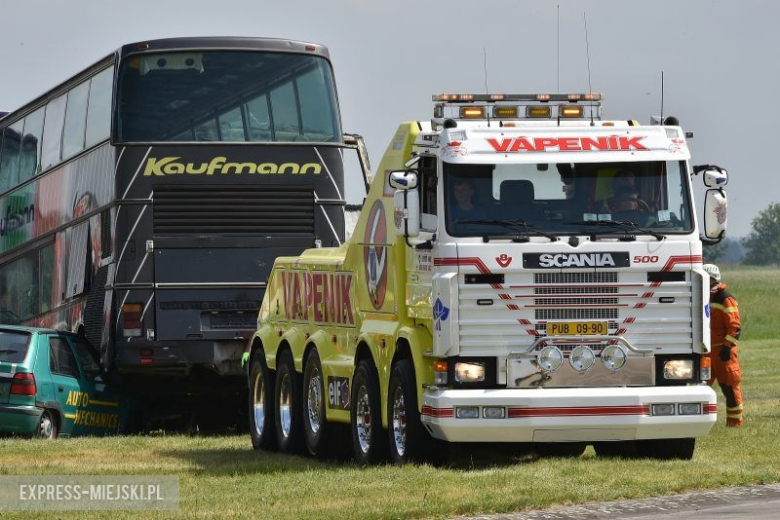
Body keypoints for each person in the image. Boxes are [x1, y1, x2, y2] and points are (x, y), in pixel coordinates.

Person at [703, 263, 744, 427]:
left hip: (722, 351)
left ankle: (735, 422)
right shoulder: (701, 296)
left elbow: (735, 328)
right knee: (700, 387)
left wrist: (727, 347)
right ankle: (700, 422)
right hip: (704, 351)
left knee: (729, 386)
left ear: (713, 279)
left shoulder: (725, 298)